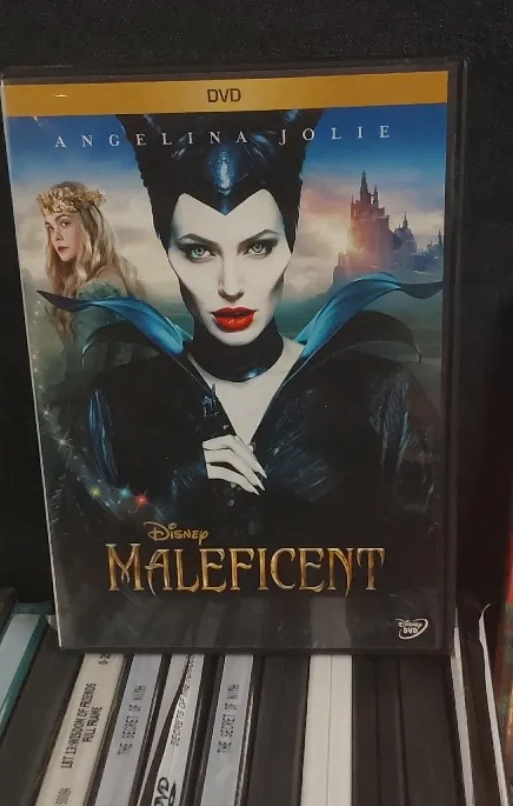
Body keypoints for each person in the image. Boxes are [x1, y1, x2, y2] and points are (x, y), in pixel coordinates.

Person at [40, 110, 441, 557]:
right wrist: (176, 491)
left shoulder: (382, 394)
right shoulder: (115, 404)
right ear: (169, 252)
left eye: (258, 246)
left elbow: (423, 566)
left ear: (289, 246)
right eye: (199, 250)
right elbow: (82, 566)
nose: (231, 285)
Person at [37, 180, 143, 385]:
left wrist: (49, 395)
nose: (56, 237)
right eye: (50, 228)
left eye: (64, 223)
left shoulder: (95, 291)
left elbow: (83, 377)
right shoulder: (114, 274)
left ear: (88, 225)